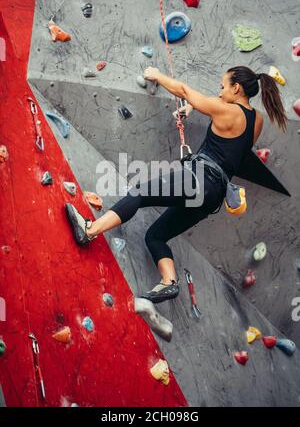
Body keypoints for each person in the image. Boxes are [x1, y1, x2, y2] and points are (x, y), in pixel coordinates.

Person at [65, 65, 287, 303]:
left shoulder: (226, 110)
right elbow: (231, 136)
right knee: (156, 236)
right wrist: (193, 107)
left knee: (140, 193)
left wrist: (157, 76)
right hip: (213, 196)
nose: (220, 92)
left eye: (223, 87)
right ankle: (169, 281)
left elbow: (183, 89)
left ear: (236, 87)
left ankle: (89, 231)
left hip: (200, 180)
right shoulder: (257, 120)